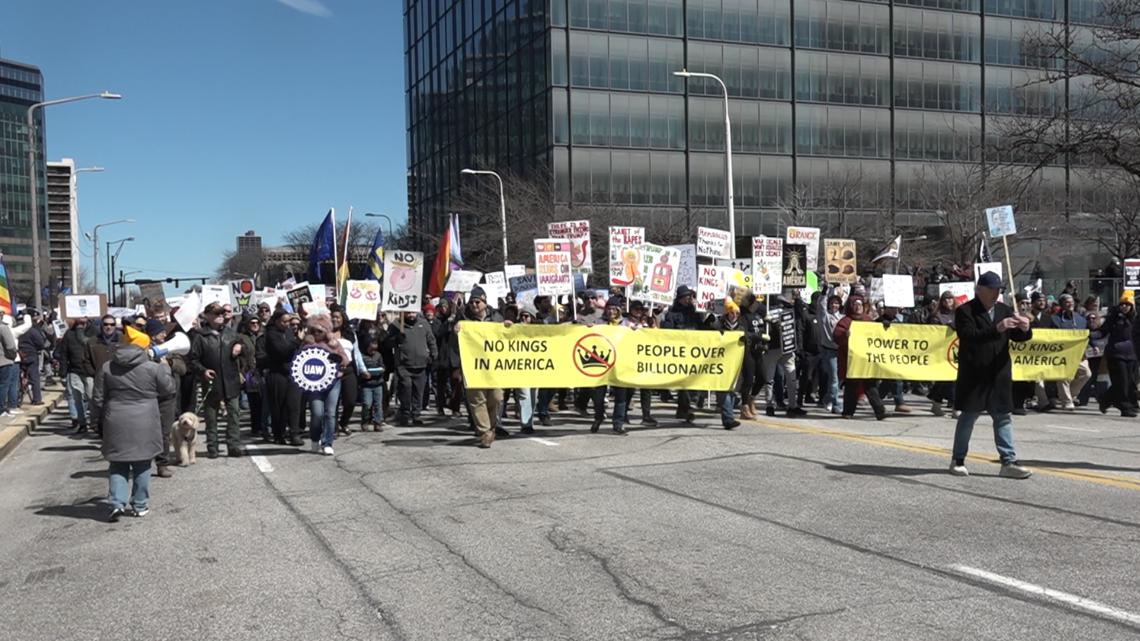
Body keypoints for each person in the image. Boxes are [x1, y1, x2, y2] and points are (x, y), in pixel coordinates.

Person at [950, 272, 1033, 479]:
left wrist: (1025, 329)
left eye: (998, 290)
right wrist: (996, 328)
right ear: (980, 290)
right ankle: (958, 459)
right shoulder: (965, 311)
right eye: (992, 289)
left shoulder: (1005, 310)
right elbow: (969, 336)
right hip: (975, 374)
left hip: (999, 374)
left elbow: (1018, 338)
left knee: (1003, 417)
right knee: (968, 416)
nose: (996, 294)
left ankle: (1008, 461)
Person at [90, 339, 177, 521]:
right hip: (145, 418)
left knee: (117, 463)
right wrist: (166, 368)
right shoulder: (153, 368)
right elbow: (168, 389)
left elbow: (98, 397)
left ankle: (116, 502)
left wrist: (95, 420)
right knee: (142, 463)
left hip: (115, 418)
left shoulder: (107, 367)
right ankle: (139, 504)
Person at [187, 302, 245, 458]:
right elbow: (192, 360)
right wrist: (203, 371)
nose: (220, 315)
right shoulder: (201, 336)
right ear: (208, 315)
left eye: (222, 313)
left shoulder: (231, 334)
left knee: (233, 414)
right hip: (212, 381)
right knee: (211, 417)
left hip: (231, 380)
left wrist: (240, 347)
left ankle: (233, 445)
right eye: (216, 313)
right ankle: (212, 447)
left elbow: (246, 350)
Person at [457, 287, 504, 448]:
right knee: (477, 400)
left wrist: (509, 327)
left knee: (496, 398)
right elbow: (453, 344)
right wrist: (455, 330)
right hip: (474, 367)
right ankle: (485, 432)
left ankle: (490, 428)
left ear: (485, 302)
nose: (474, 305)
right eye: (471, 302)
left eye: (477, 302)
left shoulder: (497, 318)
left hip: (494, 367)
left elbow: (506, 337)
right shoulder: (463, 319)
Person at [833, 295, 887, 420]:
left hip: (866, 360)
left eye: (860, 305)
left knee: (870, 386)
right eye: (855, 305)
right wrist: (845, 335)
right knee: (851, 387)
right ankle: (848, 412)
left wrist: (884, 326)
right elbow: (836, 336)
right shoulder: (845, 321)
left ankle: (880, 411)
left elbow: (878, 334)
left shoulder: (868, 320)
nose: (858, 307)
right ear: (851, 306)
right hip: (851, 360)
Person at [303, 313, 347, 455]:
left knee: (330, 413)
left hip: (333, 381)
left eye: (320, 331)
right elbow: (299, 361)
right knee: (317, 413)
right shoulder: (306, 344)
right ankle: (315, 438)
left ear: (326, 331)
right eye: (314, 330)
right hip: (314, 384)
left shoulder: (334, 343)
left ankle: (327, 442)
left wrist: (338, 358)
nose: (316, 333)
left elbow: (345, 359)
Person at [662, 286, 708, 423]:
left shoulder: (694, 313)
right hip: (680, 351)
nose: (689, 299)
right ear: (680, 298)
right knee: (684, 381)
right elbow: (667, 331)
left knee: (691, 380)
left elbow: (701, 329)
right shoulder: (672, 313)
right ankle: (686, 409)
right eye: (687, 297)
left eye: (691, 297)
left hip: (693, 351)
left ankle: (682, 409)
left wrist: (708, 320)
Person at [390, 309, 437, 426]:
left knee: (418, 391)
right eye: (408, 313)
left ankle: (416, 414)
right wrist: (396, 338)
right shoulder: (396, 325)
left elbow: (431, 340)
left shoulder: (424, 323)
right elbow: (387, 343)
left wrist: (433, 354)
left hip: (421, 365)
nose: (411, 315)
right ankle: (405, 414)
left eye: (413, 312)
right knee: (406, 389)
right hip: (403, 365)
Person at [264, 311, 304, 445]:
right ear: (276, 321)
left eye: (289, 321)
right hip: (277, 373)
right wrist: (297, 342)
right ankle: (279, 433)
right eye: (284, 322)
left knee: (294, 404)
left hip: (292, 373)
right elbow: (282, 351)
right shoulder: (271, 334)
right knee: (278, 406)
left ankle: (294, 433)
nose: (287, 324)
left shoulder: (288, 333)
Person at [1097, 290, 1137, 417]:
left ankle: (1105, 399)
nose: (1124, 307)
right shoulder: (1113, 318)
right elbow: (1102, 332)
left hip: (1132, 354)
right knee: (1122, 382)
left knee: (1129, 382)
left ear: (1132, 305)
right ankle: (1125, 407)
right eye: (1122, 304)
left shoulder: (1136, 318)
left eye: (1127, 304)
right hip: (1116, 353)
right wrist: (1090, 333)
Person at [1051, 293, 1091, 411]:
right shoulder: (1055, 319)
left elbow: (1085, 336)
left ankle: (1069, 395)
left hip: (1079, 354)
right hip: (1062, 354)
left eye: (1072, 301)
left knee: (1086, 374)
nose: (1070, 304)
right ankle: (1067, 402)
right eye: (1067, 302)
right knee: (1064, 377)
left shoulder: (1081, 319)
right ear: (1062, 304)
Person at [713, 299, 744, 430]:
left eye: (737, 313)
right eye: (732, 313)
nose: (734, 315)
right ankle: (728, 418)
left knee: (731, 390)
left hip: (735, 365)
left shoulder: (742, 326)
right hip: (719, 364)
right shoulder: (717, 326)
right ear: (727, 313)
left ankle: (727, 412)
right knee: (723, 389)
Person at [926, 291, 958, 417]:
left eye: (950, 298)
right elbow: (932, 331)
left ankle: (936, 403)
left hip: (955, 351)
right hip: (941, 351)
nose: (948, 301)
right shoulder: (936, 316)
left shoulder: (958, 314)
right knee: (949, 379)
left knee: (950, 380)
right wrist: (946, 327)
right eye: (945, 299)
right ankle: (956, 408)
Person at [817, 294, 842, 415]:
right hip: (829, 351)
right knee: (834, 379)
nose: (834, 305)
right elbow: (821, 305)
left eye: (837, 303)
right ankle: (836, 404)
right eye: (832, 303)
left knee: (840, 378)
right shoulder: (825, 316)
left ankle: (827, 399)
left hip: (841, 351)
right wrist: (826, 289)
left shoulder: (842, 317)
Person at [17, 310, 48, 406]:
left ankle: (16, 399)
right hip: (31, 355)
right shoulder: (32, 331)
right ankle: (37, 399)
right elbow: (41, 343)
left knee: (17, 378)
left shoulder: (15, 329)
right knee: (34, 377)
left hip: (19, 355)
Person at [359, 337, 386, 431]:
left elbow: (382, 366)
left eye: (375, 349)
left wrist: (381, 370)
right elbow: (360, 370)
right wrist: (364, 374)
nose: (373, 352)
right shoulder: (362, 356)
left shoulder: (378, 355)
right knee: (367, 404)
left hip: (378, 383)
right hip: (367, 384)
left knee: (378, 404)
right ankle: (365, 420)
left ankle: (378, 422)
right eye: (371, 349)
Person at [0, 314, 19, 418]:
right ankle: (1, 410)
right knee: (3, 385)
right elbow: (11, 346)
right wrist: (13, 356)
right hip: (4, 361)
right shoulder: (3, 327)